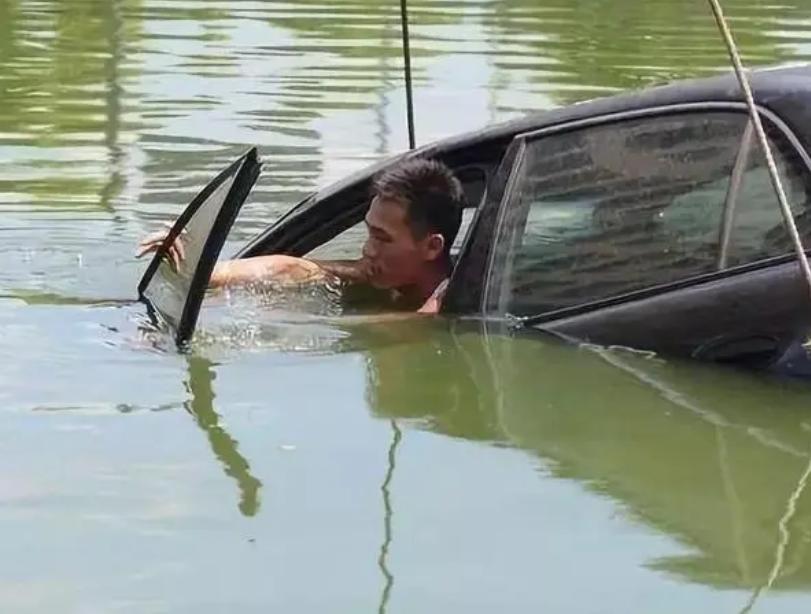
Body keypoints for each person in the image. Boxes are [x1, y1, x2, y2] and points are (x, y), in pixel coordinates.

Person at [137, 157, 466, 314]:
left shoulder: (444, 306)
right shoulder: (387, 277)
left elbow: (389, 332)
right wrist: (209, 270)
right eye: (369, 233)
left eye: (383, 238)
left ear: (431, 247)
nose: (368, 249)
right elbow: (294, 269)